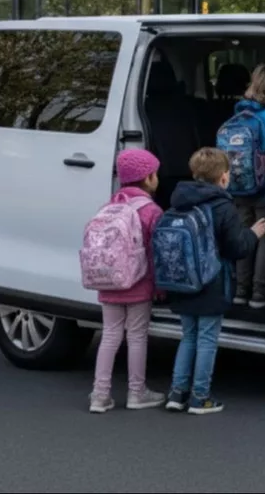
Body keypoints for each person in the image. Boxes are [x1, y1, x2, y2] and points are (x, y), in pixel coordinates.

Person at [165, 147, 265, 415]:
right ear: (224, 177)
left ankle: (177, 393)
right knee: (207, 339)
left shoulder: (178, 201)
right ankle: (200, 397)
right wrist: (253, 234)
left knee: (188, 337)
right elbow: (237, 247)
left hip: (183, 282)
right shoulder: (224, 207)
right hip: (212, 282)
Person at [89, 149, 167, 414]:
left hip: (108, 283)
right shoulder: (151, 211)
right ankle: (137, 393)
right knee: (136, 337)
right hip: (138, 284)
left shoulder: (108, 207)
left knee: (109, 335)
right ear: (148, 178)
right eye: (155, 173)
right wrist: (159, 287)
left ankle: (99, 395)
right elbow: (155, 253)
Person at [229, 63, 265, 309]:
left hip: (238, 187)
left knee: (244, 235)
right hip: (264, 188)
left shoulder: (238, 113)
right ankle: (260, 292)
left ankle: (241, 290)